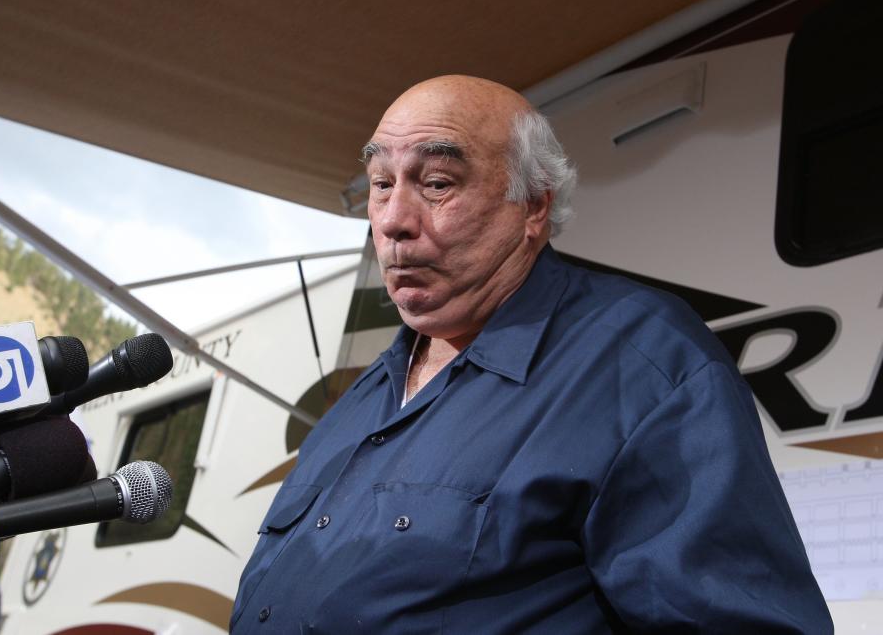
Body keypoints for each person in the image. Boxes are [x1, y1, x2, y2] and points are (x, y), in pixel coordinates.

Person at [229, 75, 832, 633]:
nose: (393, 221)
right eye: (382, 184)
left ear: (534, 206)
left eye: (437, 183)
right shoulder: (361, 399)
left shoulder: (642, 362)